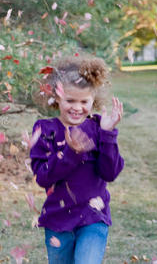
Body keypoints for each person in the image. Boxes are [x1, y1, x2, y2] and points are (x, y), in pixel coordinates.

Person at [30, 55, 124, 264]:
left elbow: (110, 172)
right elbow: (43, 177)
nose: (77, 107)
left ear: (94, 100)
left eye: (84, 101)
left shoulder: (98, 128)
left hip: (93, 218)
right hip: (58, 220)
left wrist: (108, 134)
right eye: (70, 100)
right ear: (56, 97)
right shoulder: (45, 130)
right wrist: (70, 153)